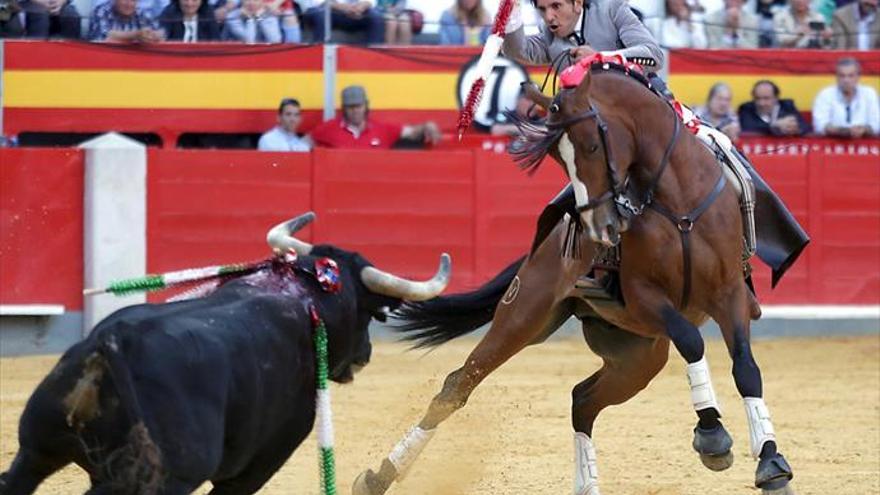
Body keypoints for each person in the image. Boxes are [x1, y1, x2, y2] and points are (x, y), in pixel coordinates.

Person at [310, 85, 441, 149]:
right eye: (351, 107)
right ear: (344, 108)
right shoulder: (328, 129)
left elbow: (411, 131)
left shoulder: (382, 129)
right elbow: (304, 144)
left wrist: (427, 126)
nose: (355, 111)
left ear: (366, 106)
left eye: (358, 106)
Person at [812, 57, 879, 138]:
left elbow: (877, 124)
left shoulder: (869, 93)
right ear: (836, 77)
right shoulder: (825, 94)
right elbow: (819, 126)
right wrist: (843, 131)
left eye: (851, 76)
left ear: (858, 76)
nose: (846, 80)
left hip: (864, 145)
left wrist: (864, 130)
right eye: (842, 76)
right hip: (833, 145)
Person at [738, 80, 810, 136]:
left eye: (766, 98)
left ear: (776, 98)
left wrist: (795, 128)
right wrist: (774, 126)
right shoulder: (746, 109)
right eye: (757, 98)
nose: (761, 103)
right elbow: (747, 128)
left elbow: (805, 127)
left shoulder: (787, 107)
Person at [303, 0, 384, 44]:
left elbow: (369, 1)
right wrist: (342, 8)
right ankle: (319, 54)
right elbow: (318, 2)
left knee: (375, 16)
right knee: (321, 14)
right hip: (328, 10)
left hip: (354, 11)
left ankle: (374, 57)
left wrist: (360, 8)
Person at [88, 0, 164, 41]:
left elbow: (161, 36)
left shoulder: (143, 13)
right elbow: (102, 38)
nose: (129, 4)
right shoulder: (101, 11)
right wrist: (135, 35)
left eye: (133, 0)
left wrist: (155, 35)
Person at [16, 0, 80, 39]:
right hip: (31, 2)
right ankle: (36, 51)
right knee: (39, 14)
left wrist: (62, 1)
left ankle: (68, 53)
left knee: (71, 14)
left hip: (58, 4)